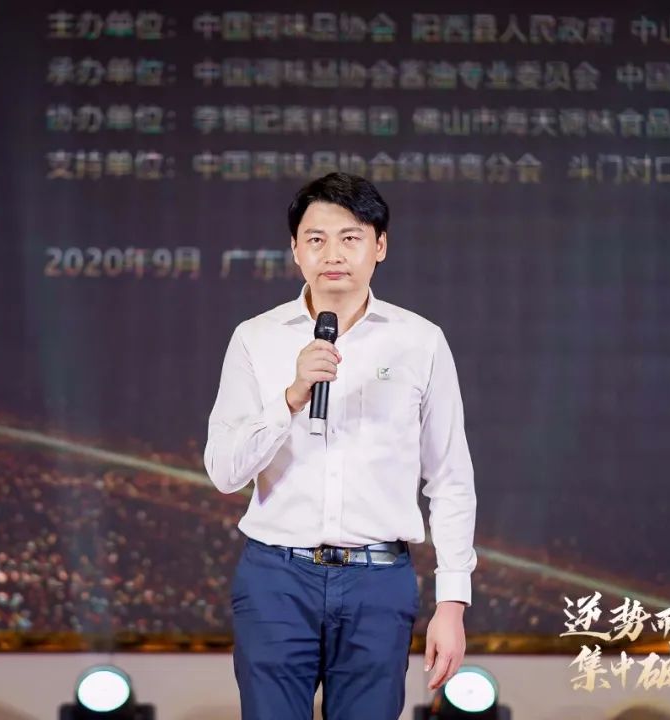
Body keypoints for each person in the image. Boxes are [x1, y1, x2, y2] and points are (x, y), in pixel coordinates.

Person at [204, 172, 477, 719]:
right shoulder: (256, 338)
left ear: (380, 246)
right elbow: (224, 471)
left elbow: (450, 478)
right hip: (277, 579)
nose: (333, 254)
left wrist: (452, 602)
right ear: (295, 250)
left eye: (350, 238)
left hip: (379, 581)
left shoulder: (419, 341)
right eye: (316, 239)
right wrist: (290, 397)